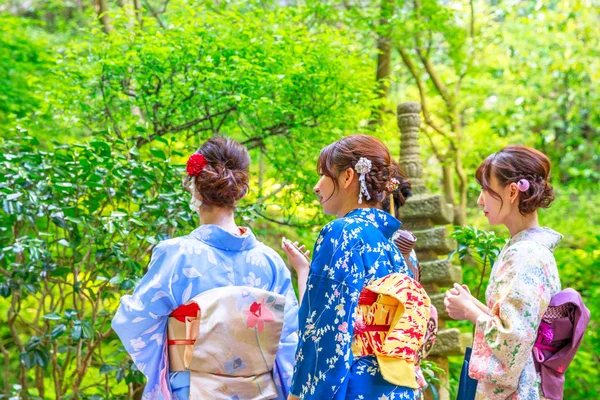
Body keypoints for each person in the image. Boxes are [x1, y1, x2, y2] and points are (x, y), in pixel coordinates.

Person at [112, 137, 299, 400]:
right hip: (260, 392)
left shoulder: (175, 255)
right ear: (240, 189)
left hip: (192, 391)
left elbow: (134, 322)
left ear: (195, 189)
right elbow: (289, 339)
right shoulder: (270, 262)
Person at [282, 134, 430, 400]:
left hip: (353, 385)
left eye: (323, 175)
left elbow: (326, 332)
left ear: (348, 177)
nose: (317, 187)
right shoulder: (395, 243)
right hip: (396, 388)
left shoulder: (342, 233)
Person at [444, 145, 562, 400]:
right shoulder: (526, 249)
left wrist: (469, 311)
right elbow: (518, 324)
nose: (479, 200)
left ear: (511, 192)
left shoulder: (526, 255)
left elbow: (512, 339)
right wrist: (474, 305)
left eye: (486, 189)